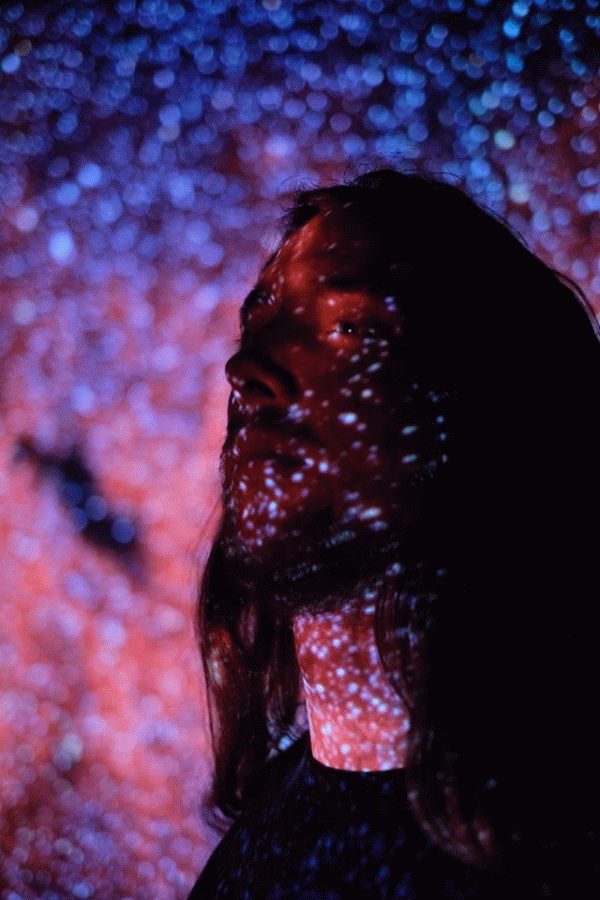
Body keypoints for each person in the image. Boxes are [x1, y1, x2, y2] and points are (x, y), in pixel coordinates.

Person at [188, 170, 600, 898]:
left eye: (352, 329)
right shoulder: (259, 844)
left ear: (493, 405)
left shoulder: (564, 841)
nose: (246, 369)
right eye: (261, 323)